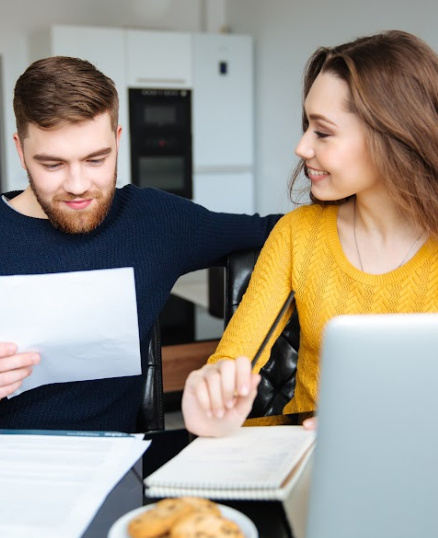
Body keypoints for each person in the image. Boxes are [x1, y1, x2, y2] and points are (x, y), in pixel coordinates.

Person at [0, 56, 280, 432]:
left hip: (114, 463)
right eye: (53, 165)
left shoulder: (155, 221)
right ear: (20, 151)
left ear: (118, 140)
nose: (79, 184)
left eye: (96, 159)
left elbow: (273, 230)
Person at [182, 29, 438, 437]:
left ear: (393, 136)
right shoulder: (297, 234)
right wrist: (212, 389)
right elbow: (233, 358)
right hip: (308, 456)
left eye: (322, 131)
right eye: (306, 126)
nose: (301, 147)